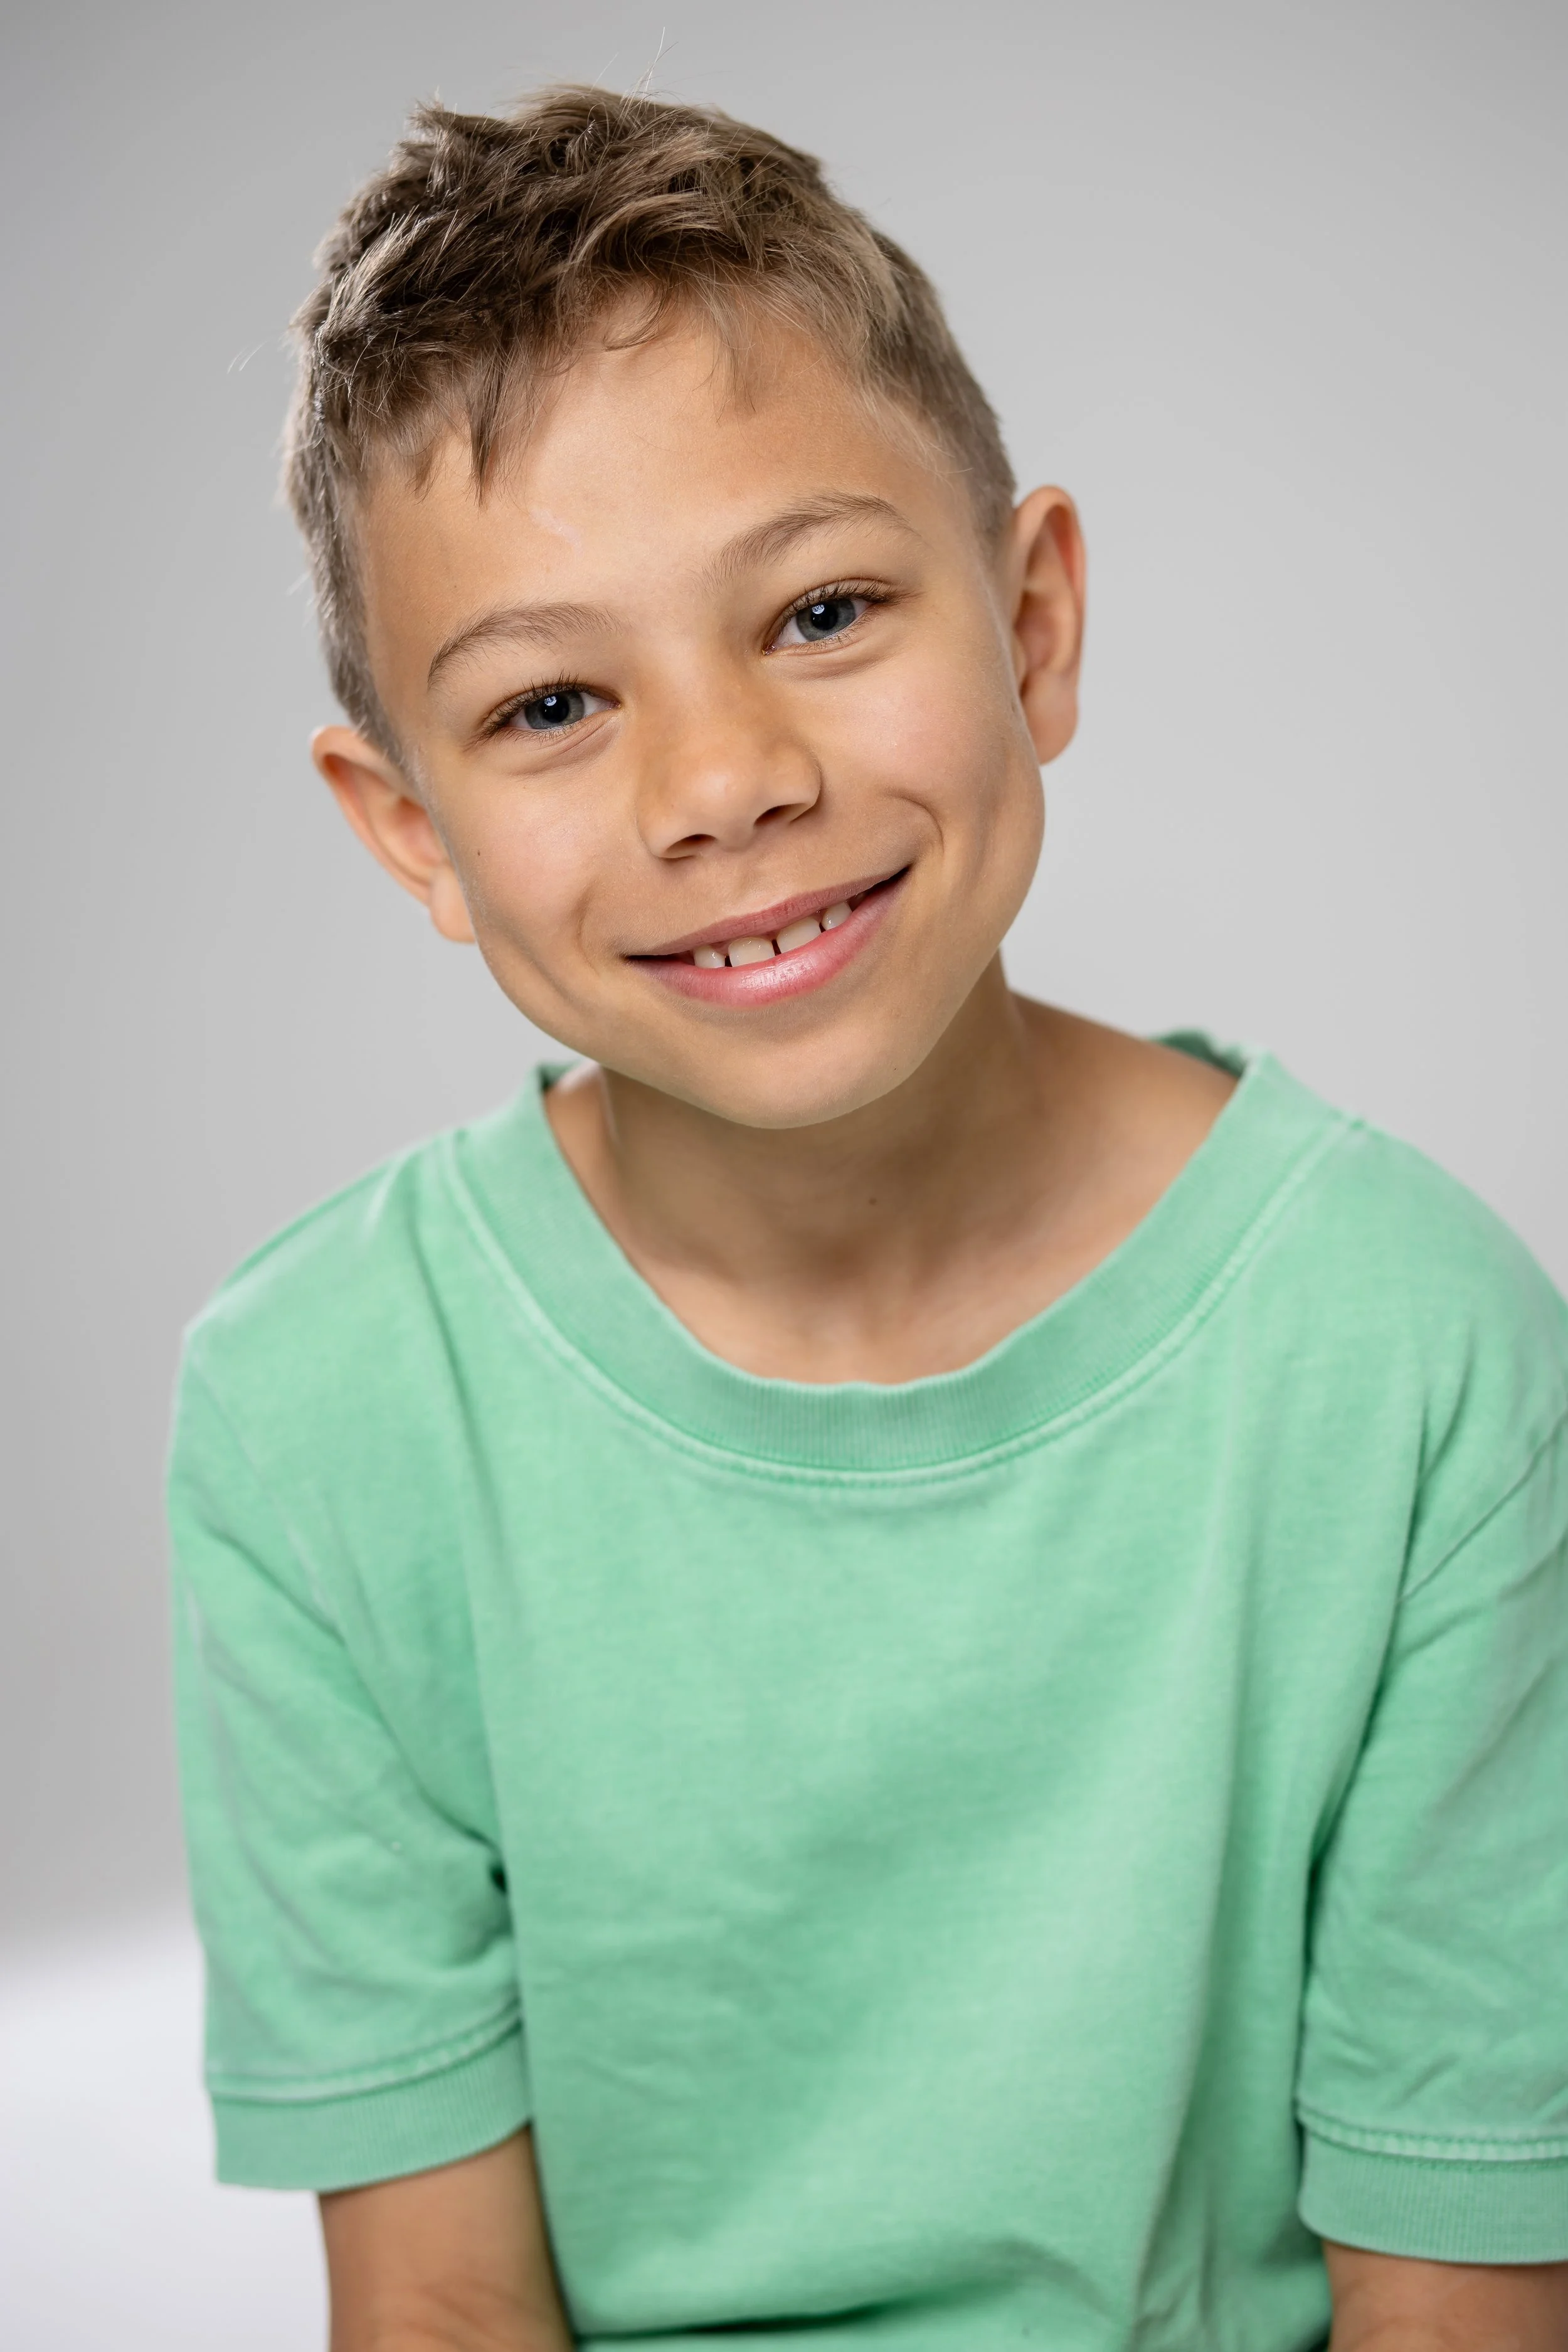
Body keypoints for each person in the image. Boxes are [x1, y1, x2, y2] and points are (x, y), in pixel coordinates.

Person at [167, 86, 1568, 2352]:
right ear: (407, 828)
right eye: (546, 703)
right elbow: (432, 2302)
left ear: (1029, 623)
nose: (724, 782)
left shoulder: (1414, 1357)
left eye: (820, 608)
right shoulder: (315, 1410)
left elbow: (1467, 2302)